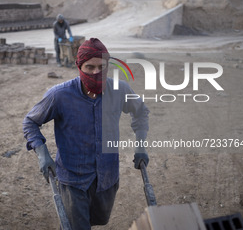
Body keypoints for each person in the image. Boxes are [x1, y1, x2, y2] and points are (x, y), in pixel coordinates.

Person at [23, 38, 149, 230]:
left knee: (99, 219)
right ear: (79, 67)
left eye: (102, 67)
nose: (96, 73)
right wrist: (42, 155)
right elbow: (31, 121)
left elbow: (140, 112)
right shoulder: (59, 95)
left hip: (107, 177)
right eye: (90, 67)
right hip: (73, 180)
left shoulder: (120, 90)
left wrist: (140, 146)